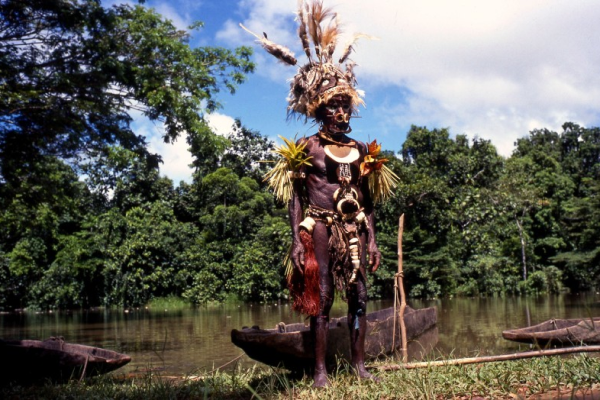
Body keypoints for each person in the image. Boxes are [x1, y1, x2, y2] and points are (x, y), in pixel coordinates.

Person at [245, 0, 398, 387]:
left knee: (360, 295)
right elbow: (296, 196)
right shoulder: (308, 147)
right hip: (319, 226)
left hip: (355, 226)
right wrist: (298, 240)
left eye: (346, 106)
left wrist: (374, 240)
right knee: (324, 295)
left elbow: (369, 198)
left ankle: (360, 365)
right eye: (334, 106)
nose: (342, 113)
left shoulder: (364, 150)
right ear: (319, 110)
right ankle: (319, 371)